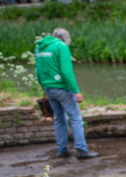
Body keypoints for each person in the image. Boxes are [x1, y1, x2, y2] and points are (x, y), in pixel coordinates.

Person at [34, 28, 98, 159]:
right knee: (75, 118)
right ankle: (81, 149)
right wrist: (76, 91)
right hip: (62, 88)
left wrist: (43, 86)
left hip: (49, 88)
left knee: (59, 119)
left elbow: (38, 70)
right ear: (65, 38)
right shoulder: (61, 47)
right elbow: (66, 71)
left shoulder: (39, 47)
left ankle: (62, 150)